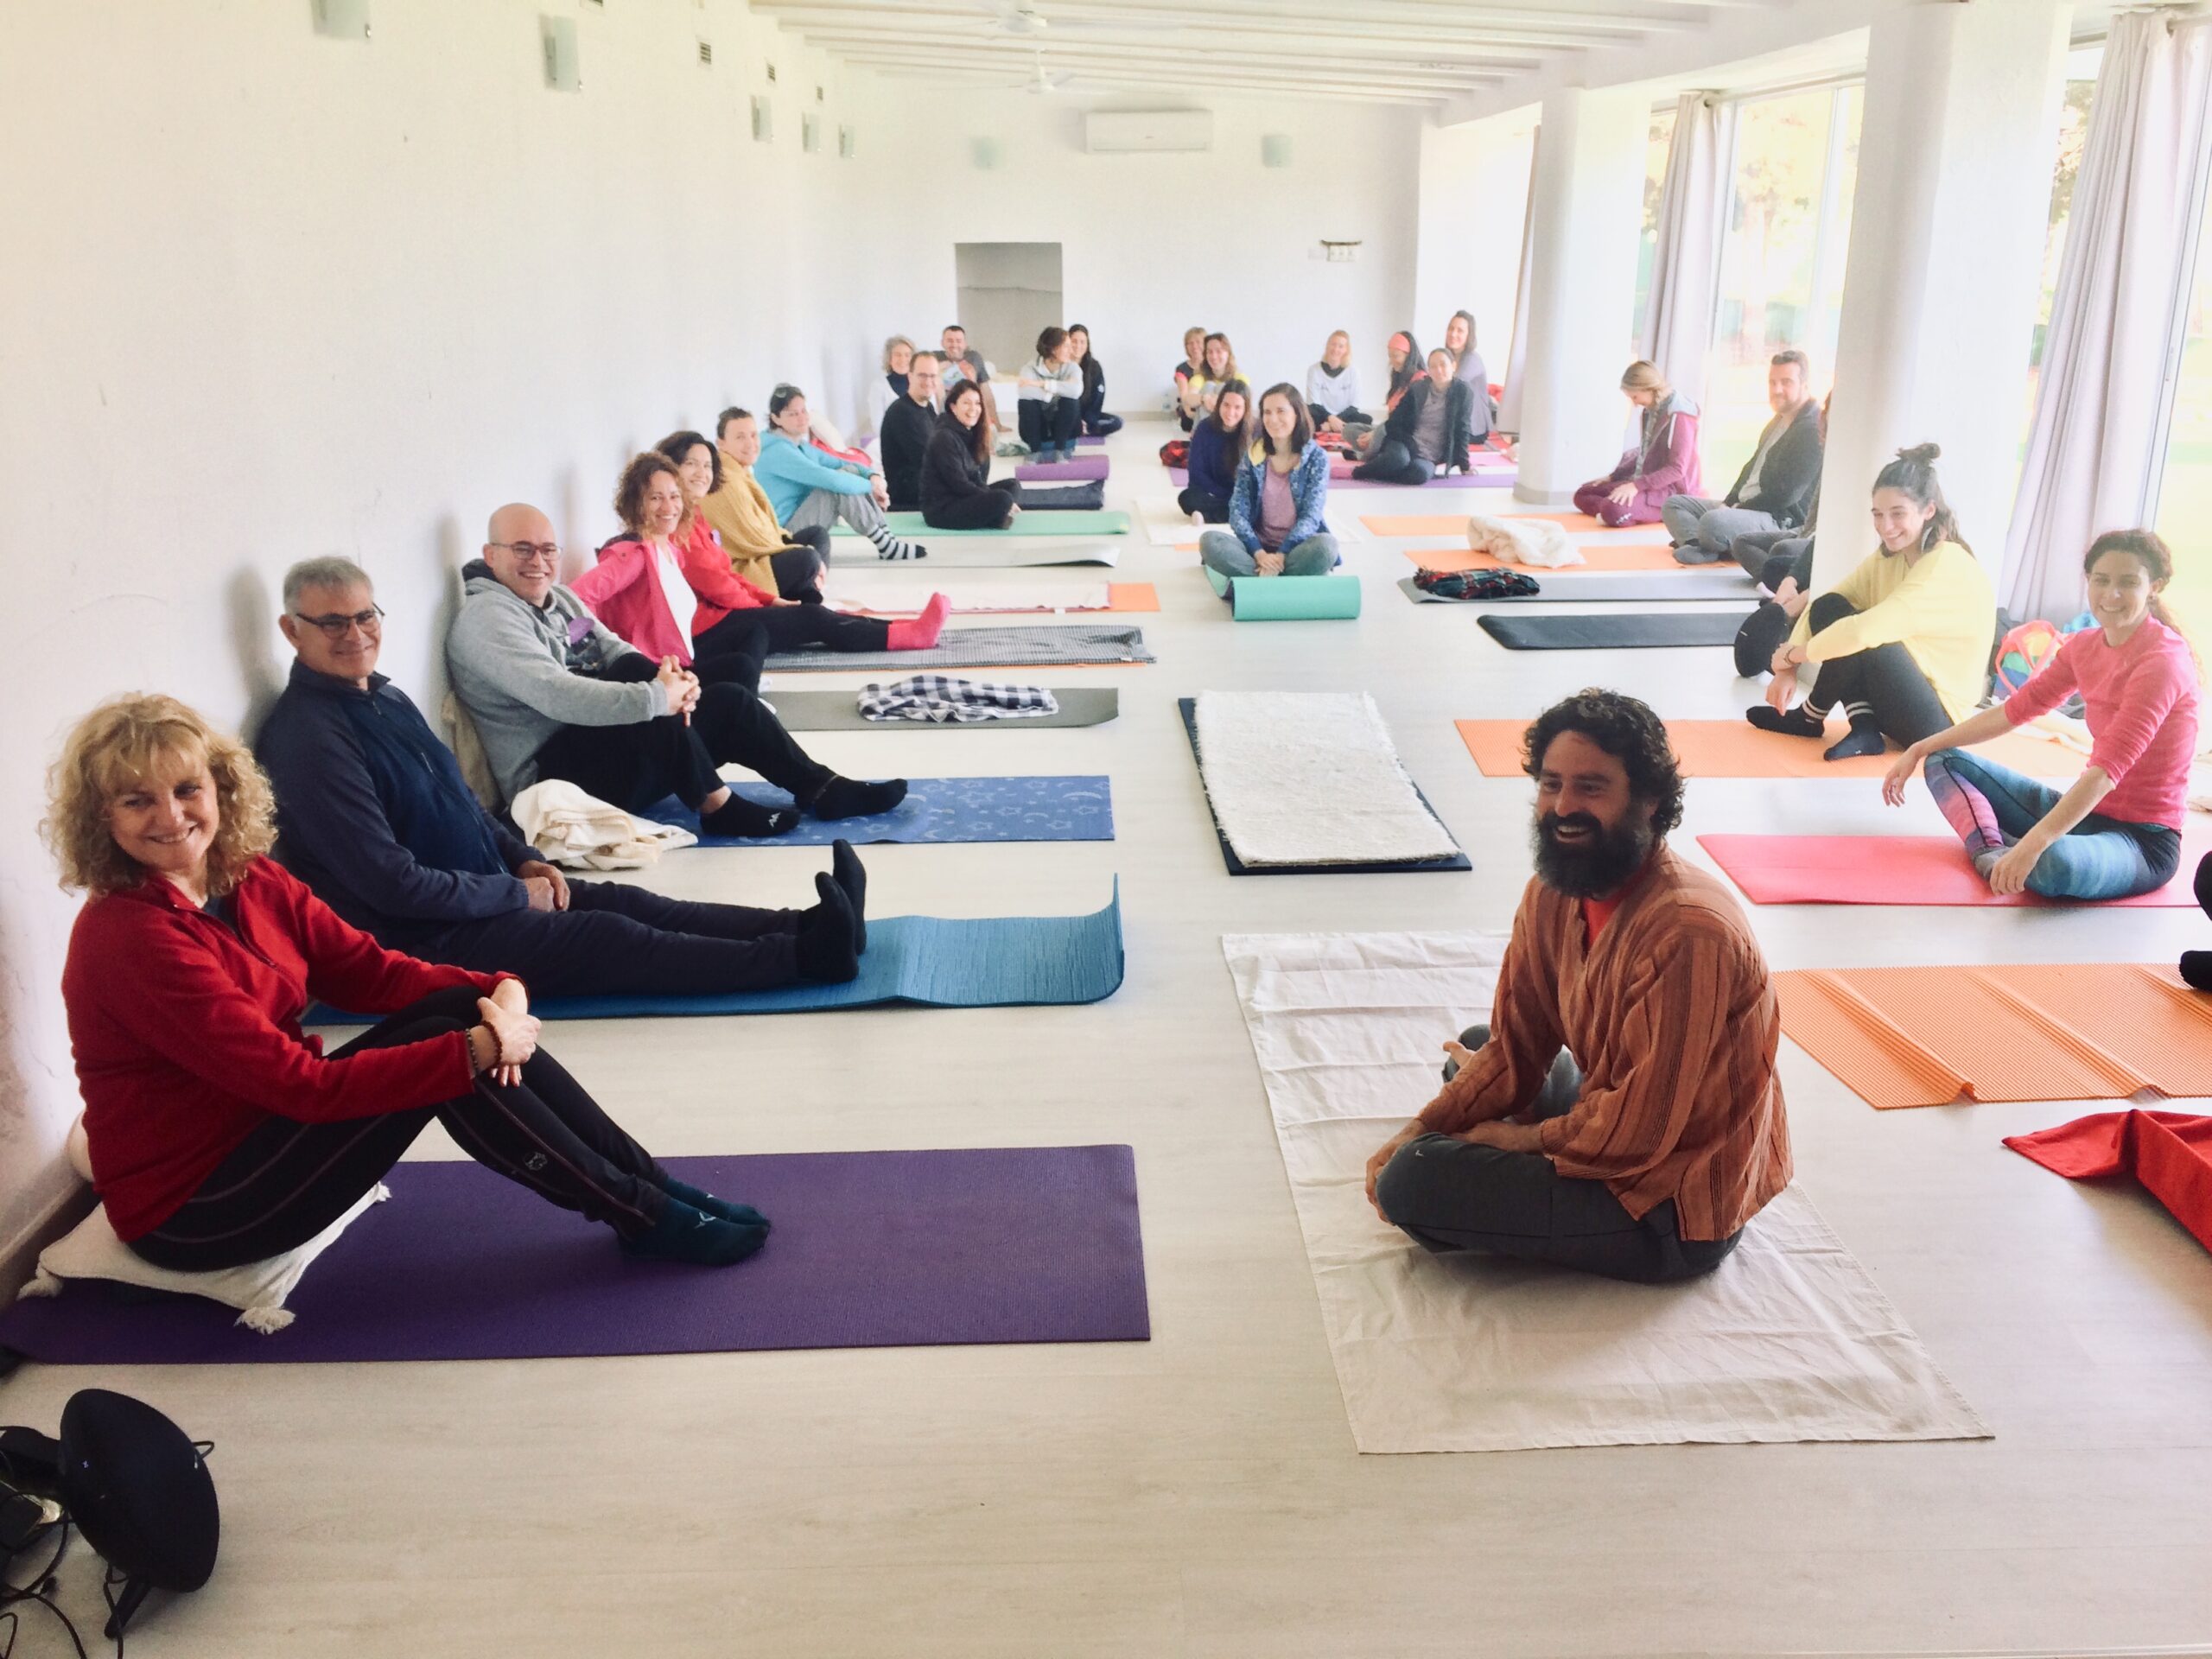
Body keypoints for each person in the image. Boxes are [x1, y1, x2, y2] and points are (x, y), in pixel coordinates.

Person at [47, 692, 775, 1273]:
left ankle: (652, 1187)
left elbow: (370, 971)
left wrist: (499, 985)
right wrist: (482, 1049)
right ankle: (642, 1215)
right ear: (101, 819)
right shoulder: (130, 938)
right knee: (451, 1047)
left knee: (458, 1008)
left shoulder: (252, 878)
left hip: (262, 1134)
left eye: (185, 789)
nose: (171, 817)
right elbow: (302, 1087)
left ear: (220, 789)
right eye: (137, 801)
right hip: (199, 1204)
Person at [257, 557, 868, 998]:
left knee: (629, 902)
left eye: (365, 616)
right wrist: (514, 895)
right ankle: (802, 959)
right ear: (292, 630)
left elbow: (464, 805)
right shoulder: (309, 739)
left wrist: (523, 862)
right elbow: (389, 885)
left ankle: (806, 925)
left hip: (481, 893)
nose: (356, 634)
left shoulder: (384, 698)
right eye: (332, 623)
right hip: (419, 940)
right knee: (609, 937)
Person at [1363, 690, 1792, 1284]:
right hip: (1626, 1120)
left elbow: (1644, 1130)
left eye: (1591, 788)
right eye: (1550, 784)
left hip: (1669, 1205)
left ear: (1650, 802)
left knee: (1412, 1179)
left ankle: (1476, 1169)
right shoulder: (1552, 893)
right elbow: (1515, 1045)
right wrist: (1423, 1127)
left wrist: (1514, 1144)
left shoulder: (1690, 932)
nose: (1564, 806)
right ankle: (1490, 1150)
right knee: (1477, 1048)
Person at [447, 503, 906, 837]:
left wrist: (672, 681)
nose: (538, 562)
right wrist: (656, 697)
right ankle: (718, 807)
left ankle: (821, 788)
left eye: (548, 549)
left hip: (601, 748)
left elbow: (612, 648)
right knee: (647, 706)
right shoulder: (489, 619)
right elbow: (557, 695)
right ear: (491, 555)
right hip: (552, 777)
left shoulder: (557, 597)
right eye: (522, 550)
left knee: (726, 698)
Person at [1881, 530, 2198, 901]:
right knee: (1945, 760)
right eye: (2101, 580)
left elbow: (2107, 770)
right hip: (2082, 816)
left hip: (2143, 841)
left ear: (2154, 586)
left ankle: (2010, 850)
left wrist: (2033, 846)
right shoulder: (2083, 647)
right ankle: (1991, 853)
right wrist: (1920, 746)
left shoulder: (2162, 661)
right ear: (2088, 581)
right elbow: (2015, 712)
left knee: (2053, 864)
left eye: (2128, 583)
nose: (2111, 594)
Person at [574, 450, 941, 689]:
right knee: (803, 619)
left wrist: (770, 601)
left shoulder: (671, 545)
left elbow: (722, 577)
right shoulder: (631, 554)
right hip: (678, 653)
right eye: (655, 498)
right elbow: (576, 599)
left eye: (672, 496)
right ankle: (908, 635)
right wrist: (589, 654)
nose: (667, 506)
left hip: (697, 636)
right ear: (635, 504)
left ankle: (902, 630)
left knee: (763, 635)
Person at [1751, 443, 1996, 761]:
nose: (1885, 526)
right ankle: (1860, 726)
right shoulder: (1889, 558)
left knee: (1870, 635)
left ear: (1928, 511)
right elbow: (1826, 604)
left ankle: (1811, 715)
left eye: (1898, 514)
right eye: (1878, 515)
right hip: (1898, 703)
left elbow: (1864, 633)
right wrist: (1789, 668)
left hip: (1938, 724)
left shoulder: (1946, 564)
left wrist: (1793, 653)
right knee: (1832, 608)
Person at [1665, 351, 1822, 564]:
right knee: (1674, 505)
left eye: (1786, 382)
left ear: (1804, 384)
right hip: (1746, 507)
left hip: (1777, 517)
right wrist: (1729, 502)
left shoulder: (1811, 429)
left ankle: (1710, 539)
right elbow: (1749, 470)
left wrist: (1737, 510)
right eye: (1772, 382)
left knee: (1713, 522)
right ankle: (1699, 544)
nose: (1777, 390)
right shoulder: (1777, 422)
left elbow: (1785, 496)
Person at [752, 384, 926, 562]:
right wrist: (870, 486)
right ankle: (884, 544)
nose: (802, 417)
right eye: (793, 414)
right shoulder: (778, 451)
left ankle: (887, 540)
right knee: (835, 487)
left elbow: (841, 463)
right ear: (776, 418)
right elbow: (830, 480)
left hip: (800, 519)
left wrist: (872, 476)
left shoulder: (798, 444)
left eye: (803, 410)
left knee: (848, 471)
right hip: (785, 534)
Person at [1199, 384, 1339, 580]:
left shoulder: (1317, 458)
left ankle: (1262, 578)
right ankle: (1279, 577)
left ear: (1297, 414)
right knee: (1209, 541)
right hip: (1256, 551)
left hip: (1296, 549)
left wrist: (1282, 554)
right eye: (1267, 412)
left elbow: (1311, 515)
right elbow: (1238, 510)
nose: (1273, 419)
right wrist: (1258, 552)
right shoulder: (1254, 454)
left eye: (1281, 411)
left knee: (1327, 547)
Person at [702, 406, 830, 601]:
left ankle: (807, 588)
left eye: (753, 435)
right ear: (721, 443)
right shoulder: (725, 480)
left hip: (765, 546)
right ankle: (808, 588)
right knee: (807, 559)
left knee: (817, 535)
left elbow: (767, 530)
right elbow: (751, 540)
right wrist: (798, 552)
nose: (750, 443)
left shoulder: (741, 471)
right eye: (740, 437)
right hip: (746, 562)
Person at [1571, 361, 1701, 528]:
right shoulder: (1650, 410)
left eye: (1635, 397)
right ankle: (1627, 508)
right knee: (1583, 494)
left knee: (1613, 510)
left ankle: (1644, 510)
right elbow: (1645, 453)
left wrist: (1635, 486)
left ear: (1650, 388)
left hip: (1671, 491)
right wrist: (1613, 477)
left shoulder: (1681, 415)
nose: (1634, 403)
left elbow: (1677, 470)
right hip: (1647, 482)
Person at [1352, 349, 1475, 486]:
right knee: (1398, 460)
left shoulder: (1463, 391)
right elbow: (1393, 422)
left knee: (1419, 475)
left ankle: (1384, 469)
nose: (1439, 370)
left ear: (1453, 366)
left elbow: (1463, 428)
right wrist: (1410, 444)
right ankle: (1362, 471)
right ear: (1429, 370)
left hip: (1430, 455)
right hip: (1405, 443)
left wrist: (1465, 465)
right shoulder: (1418, 389)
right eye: (1433, 366)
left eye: (1443, 365)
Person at [920, 378, 1020, 531]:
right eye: (966, 403)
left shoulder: (968, 433)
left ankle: (994, 517)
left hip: (961, 498)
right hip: (942, 508)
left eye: (977, 403)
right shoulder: (944, 437)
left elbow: (975, 477)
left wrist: (986, 494)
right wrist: (991, 497)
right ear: (953, 407)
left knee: (1013, 485)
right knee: (1004, 499)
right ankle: (996, 517)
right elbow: (959, 484)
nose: (973, 408)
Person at [1178, 378, 1250, 524]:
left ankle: (1208, 517)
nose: (1230, 412)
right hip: (1212, 493)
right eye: (1226, 405)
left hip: (1241, 494)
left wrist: (1237, 495)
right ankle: (1233, 512)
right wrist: (1222, 495)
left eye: (1237, 407)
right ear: (1219, 404)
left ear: (1245, 409)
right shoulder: (1205, 428)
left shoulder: (1254, 432)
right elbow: (1196, 472)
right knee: (1186, 498)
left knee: (1257, 503)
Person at [1341, 331, 1423, 457]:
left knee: (1381, 432)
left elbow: (1405, 420)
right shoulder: (1398, 378)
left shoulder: (1420, 380)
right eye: (1390, 356)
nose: (1392, 361)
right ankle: (1376, 452)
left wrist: (1377, 433)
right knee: (1349, 429)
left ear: (1408, 356)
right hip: (1389, 428)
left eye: (1396, 356)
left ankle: (1363, 456)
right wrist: (1374, 433)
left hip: (1403, 433)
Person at [879, 351, 943, 512]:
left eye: (933, 376)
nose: (928, 381)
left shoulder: (927, 408)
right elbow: (929, 460)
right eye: (922, 375)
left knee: (1009, 488)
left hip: (931, 487)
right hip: (912, 497)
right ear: (910, 376)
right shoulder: (901, 412)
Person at [1015, 326, 1084, 464]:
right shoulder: (1030, 368)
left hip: (1066, 435)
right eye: (1066, 346)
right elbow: (1023, 391)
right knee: (1026, 402)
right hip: (1039, 433)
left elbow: (1076, 391)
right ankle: (1035, 452)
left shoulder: (1073, 367)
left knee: (1070, 401)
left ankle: (1060, 451)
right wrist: (1056, 391)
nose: (1071, 351)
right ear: (1053, 349)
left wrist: (1040, 384)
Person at [938, 323, 1009, 450]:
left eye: (958, 341)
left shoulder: (974, 358)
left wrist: (996, 424)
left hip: (970, 408)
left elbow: (986, 393)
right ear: (942, 343)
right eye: (949, 341)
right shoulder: (934, 358)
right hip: (945, 410)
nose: (954, 345)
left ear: (965, 344)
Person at [1441, 308, 1493, 447]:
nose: (1453, 334)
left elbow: (1450, 385)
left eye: (1460, 331)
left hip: (1473, 428)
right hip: (1454, 422)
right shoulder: (1448, 357)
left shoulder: (1472, 359)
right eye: (1451, 329)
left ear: (1469, 335)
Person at [1067, 324, 1121, 437]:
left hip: (1088, 415)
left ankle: (1084, 428)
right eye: (1074, 341)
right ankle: (1076, 428)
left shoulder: (1094, 366)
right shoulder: (1062, 364)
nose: (1078, 346)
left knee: (1117, 422)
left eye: (1082, 342)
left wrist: (1087, 420)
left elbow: (1098, 397)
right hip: (1066, 413)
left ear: (1087, 344)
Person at [1306, 330, 1363, 432]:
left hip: (1344, 417)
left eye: (1341, 346)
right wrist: (1330, 418)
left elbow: (1355, 404)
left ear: (1346, 350)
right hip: (1321, 416)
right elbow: (1313, 403)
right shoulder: (1314, 370)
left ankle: (1329, 428)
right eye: (1333, 344)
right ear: (1327, 346)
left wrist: (1334, 422)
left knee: (1366, 419)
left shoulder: (1353, 372)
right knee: (1306, 417)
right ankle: (1338, 429)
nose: (1336, 349)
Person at [1177, 332, 1237, 428]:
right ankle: (1206, 433)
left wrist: (1219, 400)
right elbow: (1188, 398)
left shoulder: (1239, 377)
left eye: (1219, 351)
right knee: (1208, 386)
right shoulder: (1199, 377)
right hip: (1204, 422)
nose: (1214, 356)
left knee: (1222, 388)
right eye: (1210, 352)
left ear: (1228, 353)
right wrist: (1204, 398)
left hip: (1230, 426)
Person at [863, 334, 914, 439]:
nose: (903, 359)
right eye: (898, 355)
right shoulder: (878, 386)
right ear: (890, 359)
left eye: (907, 355)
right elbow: (878, 426)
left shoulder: (921, 383)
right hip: (892, 442)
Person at [1172, 326, 1207, 430]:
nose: (1194, 346)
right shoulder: (1181, 369)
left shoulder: (1212, 365)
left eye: (1198, 342)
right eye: (1190, 343)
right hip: (1191, 410)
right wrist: (1189, 413)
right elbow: (1184, 395)